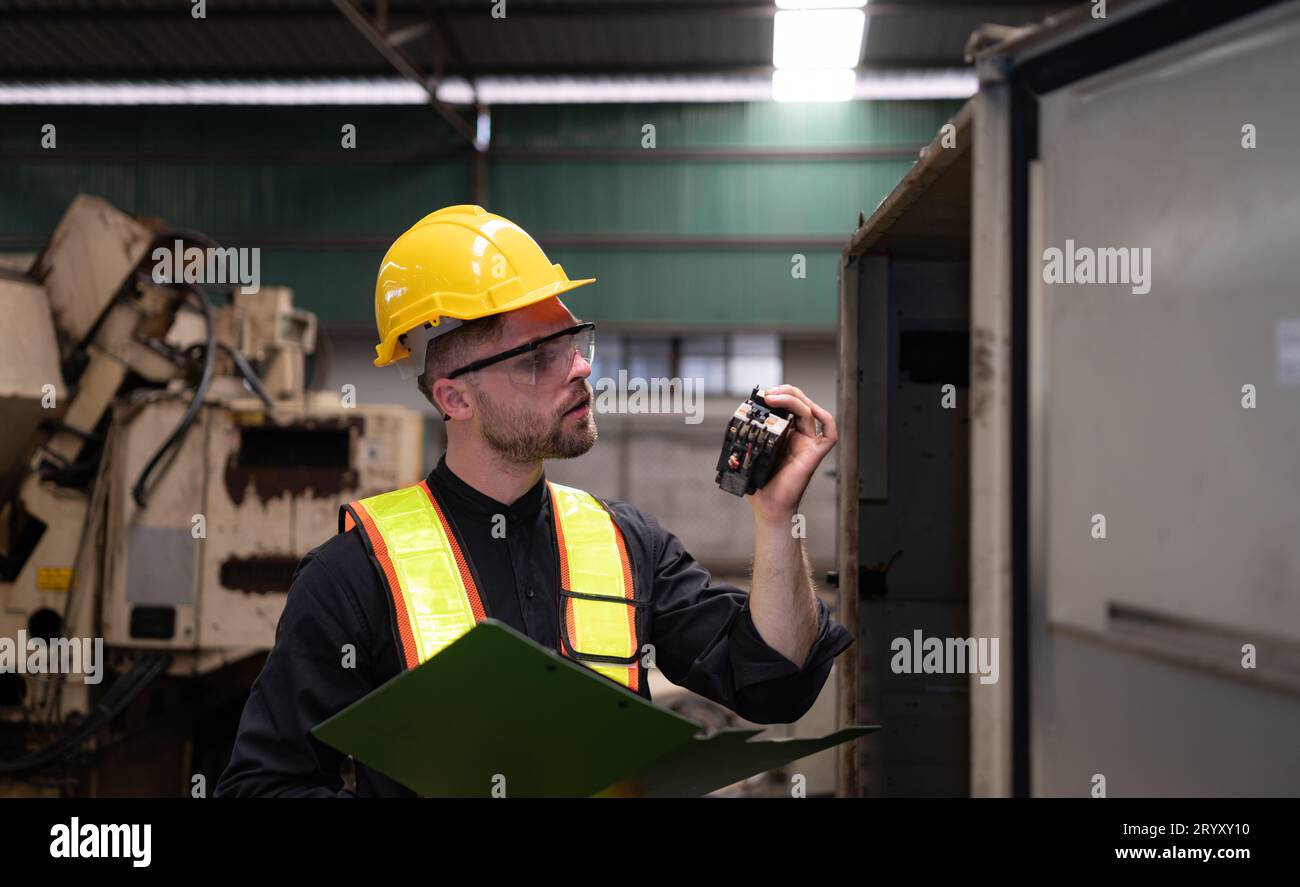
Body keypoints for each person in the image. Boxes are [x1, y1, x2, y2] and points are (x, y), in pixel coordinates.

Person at [215, 205, 852, 797]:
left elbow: (775, 681)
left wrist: (776, 518)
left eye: (573, 342)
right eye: (538, 356)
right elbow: (263, 786)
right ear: (455, 399)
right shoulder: (356, 573)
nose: (578, 368)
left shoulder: (628, 546)